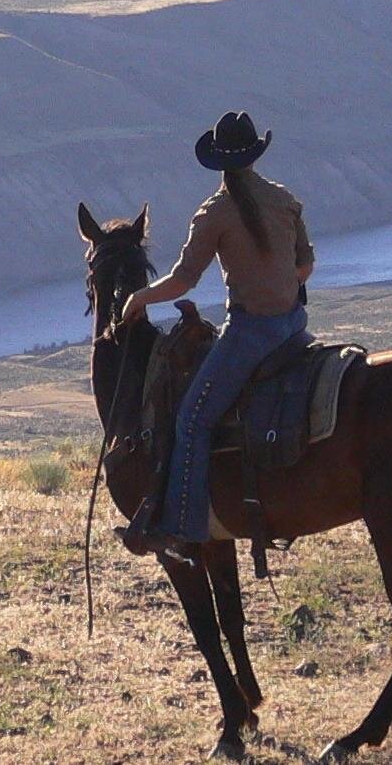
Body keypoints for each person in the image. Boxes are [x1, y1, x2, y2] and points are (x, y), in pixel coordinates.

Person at [115, 110, 314, 561]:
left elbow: (184, 281)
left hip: (251, 334)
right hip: (294, 326)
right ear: (254, 156)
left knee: (193, 418)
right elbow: (304, 266)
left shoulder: (215, 213)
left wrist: (140, 300)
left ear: (218, 163)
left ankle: (182, 528)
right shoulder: (283, 199)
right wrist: (280, 287)